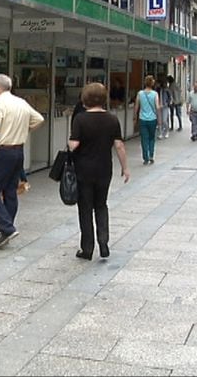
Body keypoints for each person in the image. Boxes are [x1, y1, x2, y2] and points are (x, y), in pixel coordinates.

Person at [0, 74, 44, 248]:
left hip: (2, 152)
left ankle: (7, 228)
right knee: (10, 191)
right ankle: (4, 229)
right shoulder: (21, 102)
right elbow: (39, 119)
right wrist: (24, 130)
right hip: (18, 151)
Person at [68, 83, 130, 260]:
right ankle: (103, 242)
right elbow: (119, 145)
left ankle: (87, 248)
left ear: (85, 99)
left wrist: (70, 144)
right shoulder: (112, 119)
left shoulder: (80, 119)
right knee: (101, 205)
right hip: (104, 169)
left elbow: (74, 144)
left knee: (85, 208)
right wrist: (125, 168)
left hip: (83, 169)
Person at [133, 75, 161, 164]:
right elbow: (157, 107)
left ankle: (145, 157)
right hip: (153, 119)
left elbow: (136, 106)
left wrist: (134, 117)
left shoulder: (140, 93)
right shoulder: (155, 94)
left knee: (144, 138)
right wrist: (159, 119)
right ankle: (151, 155)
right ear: (152, 83)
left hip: (142, 119)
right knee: (152, 138)